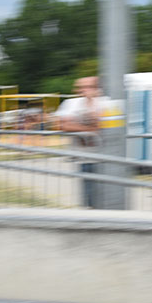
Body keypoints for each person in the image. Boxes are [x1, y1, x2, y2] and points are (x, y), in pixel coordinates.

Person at [55, 76, 118, 207]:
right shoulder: (70, 103)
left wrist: (92, 107)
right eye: (80, 87)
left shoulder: (108, 103)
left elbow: (108, 126)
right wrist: (91, 129)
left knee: (109, 195)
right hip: (84, 157)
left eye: (87, 87)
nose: (82, 90)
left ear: (98, 88)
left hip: (106, 157)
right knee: (89, 197)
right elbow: (62, 125)